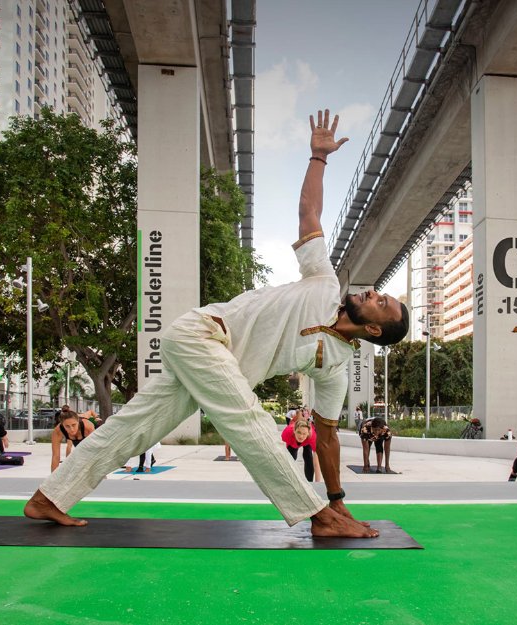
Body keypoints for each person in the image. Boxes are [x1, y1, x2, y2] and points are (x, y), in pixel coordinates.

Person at [24, 109, 409, 537]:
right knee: (249, 420)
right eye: (378, 292)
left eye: (382, 302)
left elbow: (327, 435)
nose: (373, 293)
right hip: (202, 335)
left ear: (375, 330)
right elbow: (309, 214)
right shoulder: (322, 281)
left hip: (212, 366)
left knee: (133, 429)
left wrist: (340, 499)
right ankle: (316, 518)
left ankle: (49, 497)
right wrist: (318, 157)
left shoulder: (335, 366)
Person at [51, 406, 96, 472]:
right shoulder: (57, 431)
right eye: (67, 426)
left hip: (93, 435)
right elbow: (55, 457)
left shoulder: (88, 426)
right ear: (62, 424)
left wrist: (96, 417)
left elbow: (95, 453)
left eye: (74, 425)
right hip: (77, 439)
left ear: (78, 421)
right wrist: (53, 479)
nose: (71, 429)